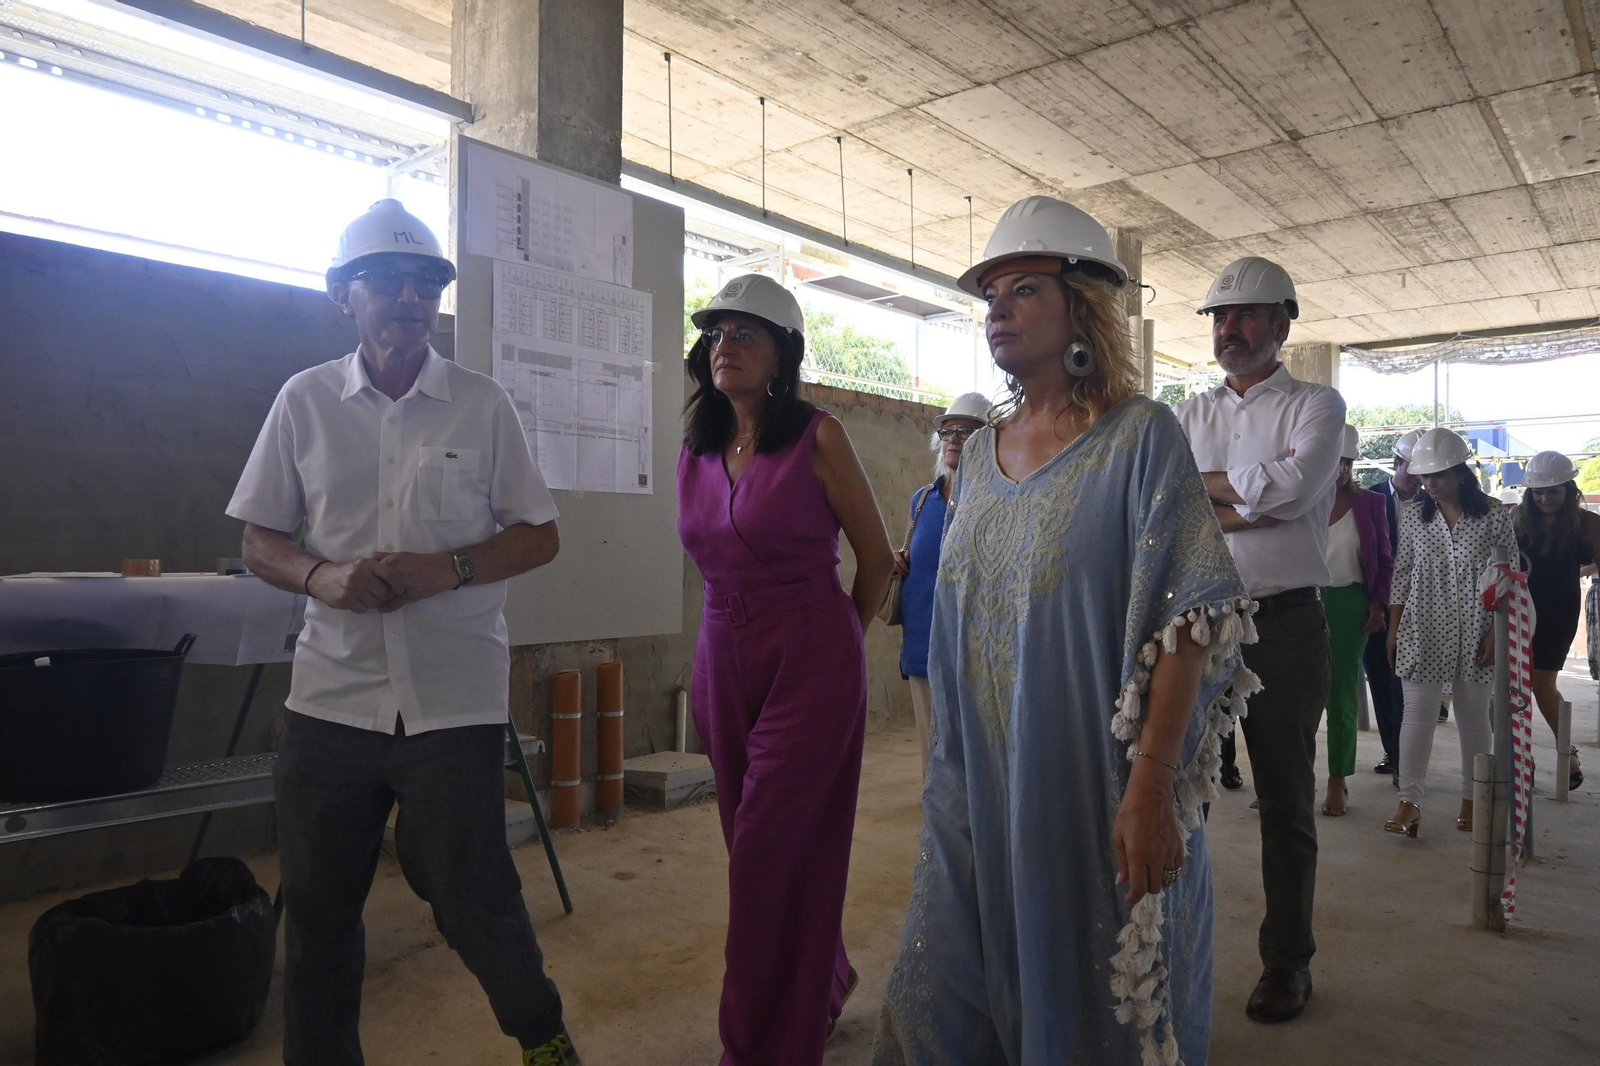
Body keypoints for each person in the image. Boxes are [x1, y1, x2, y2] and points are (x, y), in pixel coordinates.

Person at [875, 196, 1254, 1066]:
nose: (996, 308)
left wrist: (1153, 783)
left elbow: (1189, 619)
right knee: (950, 980)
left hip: (1094, 789)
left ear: (1081, 305)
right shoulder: (975, 457)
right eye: (990, 293)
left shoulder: (1139, 439)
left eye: (1022, 289)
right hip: (979, 786)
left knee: (1092, 1003)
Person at [226, 200, 579, 1066]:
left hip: (450, 699)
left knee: (475, 894)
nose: (409, 298)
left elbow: (540, 534)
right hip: (331, 698)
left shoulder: (481, 405)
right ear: (343, 295)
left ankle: (542, 1038)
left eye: (426, 284)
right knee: (317, 914)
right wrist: (323, 576)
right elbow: (257, 539)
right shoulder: (303, 402)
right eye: (387, 280)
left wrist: (447, 568)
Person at [676, 273, 893, 1066]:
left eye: (746, 335)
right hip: (720, 659)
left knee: (769, 855)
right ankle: (823, 979)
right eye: (717, 335)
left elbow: (875, 560)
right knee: (758, 850)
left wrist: (833, 644)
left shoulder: (819, 436)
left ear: (782, 356)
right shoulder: (696, 451)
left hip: (809, 657)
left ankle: (761, 1048)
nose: (725, 347)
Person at [1174, 255, 1345, 1024]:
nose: (1228, 329)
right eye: (1218, 316)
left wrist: (1213, 488)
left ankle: (1286, 963)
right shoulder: (1188, 412)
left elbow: (1303, 486)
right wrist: (1255, 496)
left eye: (1244, 315)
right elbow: (1166, 504)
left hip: (1284, 626)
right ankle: (1177, 947)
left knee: (1284, 802)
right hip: (1197, 629)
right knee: (1185, 799)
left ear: (1283, 322)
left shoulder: (1317, 403)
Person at [1385, 428, 1515, 838]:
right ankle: (1409, 801)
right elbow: (1402, 573)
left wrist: (1499, 632)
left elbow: (1509, 576)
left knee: (1475, 717)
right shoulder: (1414, 516)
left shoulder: (1493, 514)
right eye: (1424, 477)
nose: (1429, 483)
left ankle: (1473, 798)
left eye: (1438, 475)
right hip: (1422, 626)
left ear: (1461, 472)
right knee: (1417, 713)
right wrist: (1393, 629)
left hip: (1479, 627)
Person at [890, 391, 989, 779]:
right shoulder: (922, 501)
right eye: (947, 430)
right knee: (933, 758)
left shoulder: (996, 501)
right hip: (922, 645)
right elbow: (917, 558)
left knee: (974, 760)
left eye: (966, 431)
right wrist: (898, 561)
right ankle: (937, 835)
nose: (953, 438)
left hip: (976, 653)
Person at [1514, 450, 1600, 789]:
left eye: (1553, 491)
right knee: (1506, 687)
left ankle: (1568, 754)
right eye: (1539, 492)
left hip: (1559, 610)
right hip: (1519, 609)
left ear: (1568, 489)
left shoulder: (1587, 523)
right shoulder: (1516, 520)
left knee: (1541, 685)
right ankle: (1522, 758)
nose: (1545, 498)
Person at [1319, 424, 1393, 817]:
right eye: (1335, 460)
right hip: (1301, 601)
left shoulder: (1371, 504)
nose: (1342, 469)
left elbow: (1383, 557)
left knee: (1342, 693)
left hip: (1350, 603)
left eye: (1347, 461)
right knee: (1293, 697)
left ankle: (1337, 781)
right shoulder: (1300, 501)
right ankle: (1286, 778)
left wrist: (1378, 604)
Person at [1367, 429, 1423, 777]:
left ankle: (1408, 758)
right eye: (1413, 470)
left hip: (1418, 607)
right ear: (1396, 464)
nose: (1419, 479)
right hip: (1377, 604)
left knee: (1408, 684)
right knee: (1381, 679)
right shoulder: (1370, 498)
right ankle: (1393, 751)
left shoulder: (1432, 504)